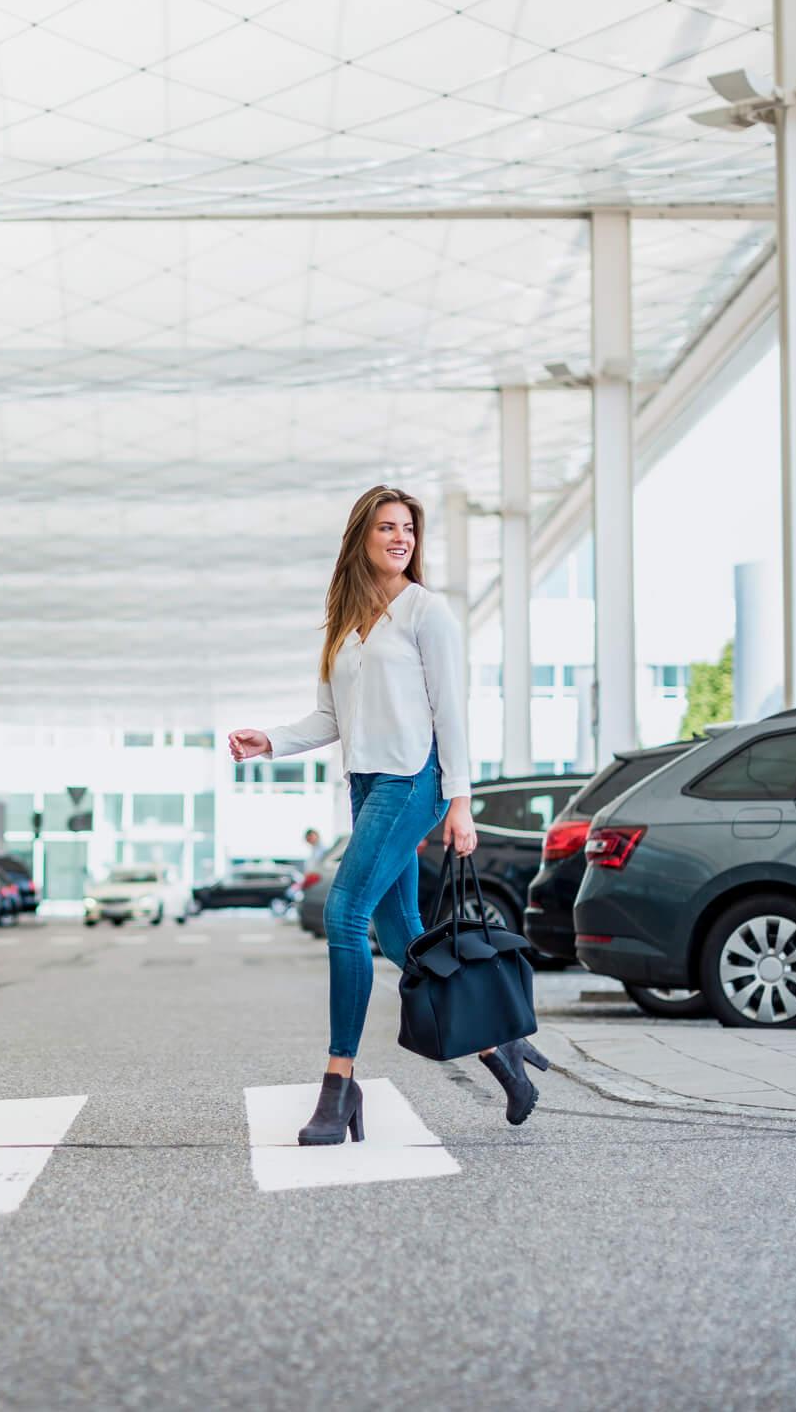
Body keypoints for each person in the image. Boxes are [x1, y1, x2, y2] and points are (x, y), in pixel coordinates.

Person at [227, 484, 547, 1143]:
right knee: (405, 938)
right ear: (360, 540)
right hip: (368, 784)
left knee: (344, 917)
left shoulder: (426, 612)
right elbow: (330, 716)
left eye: (406, 529)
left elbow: (450, 711)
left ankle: (338, 1085)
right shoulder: (344, 619)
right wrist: (272, 741)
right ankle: (501, 1052)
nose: (399, 538)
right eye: (385, 528)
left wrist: (459, 799)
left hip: (413, 780)